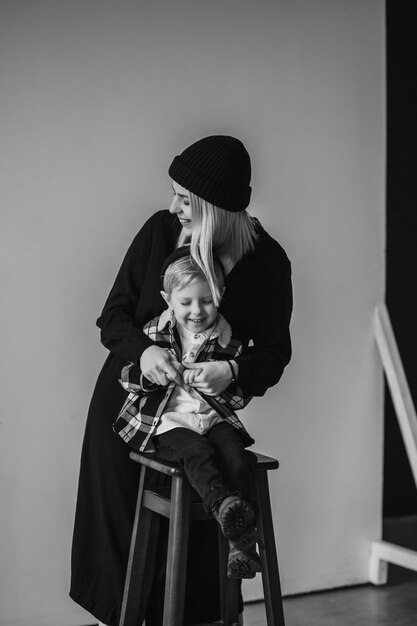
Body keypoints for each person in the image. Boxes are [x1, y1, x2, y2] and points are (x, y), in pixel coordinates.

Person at [70, 135, 293, 625]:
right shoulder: (158, 233)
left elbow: (276, 355)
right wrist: (146, 350)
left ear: (217, 207)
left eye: (186, 199)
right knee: (120, 547)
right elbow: (114, 317)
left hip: (198, 422)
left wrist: (233, 369)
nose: (173, 206)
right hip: (127, 409)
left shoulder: (269, 265)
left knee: (200, 552)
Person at [114, 248, 262, 578]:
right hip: (166, 422)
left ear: (220, 295)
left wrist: (221, 380)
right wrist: (151, 375)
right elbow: (126, 378)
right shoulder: (154, 334)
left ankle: (240, 545)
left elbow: (239, 399)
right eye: (186, 302)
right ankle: (223, 505)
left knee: (236, 456)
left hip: (210, 418)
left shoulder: (229, 340)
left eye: (207, 300)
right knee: (197, 452)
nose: (197, 310)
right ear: (169, 299)